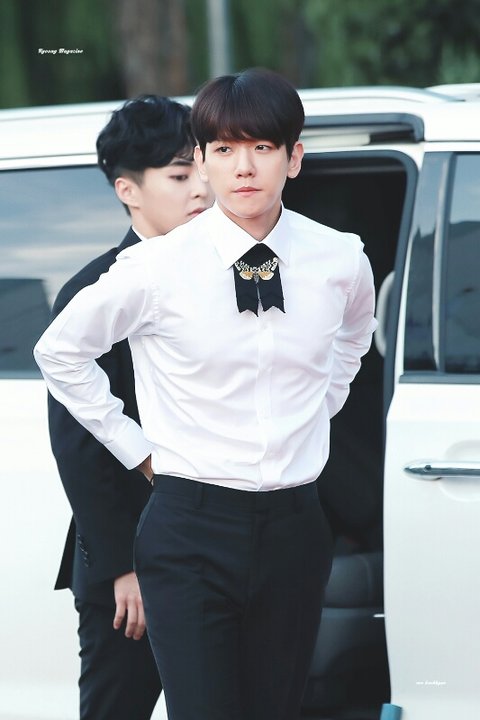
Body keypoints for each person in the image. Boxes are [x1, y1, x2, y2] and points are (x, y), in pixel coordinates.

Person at [35, 68, 377, 720]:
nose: (243, 167)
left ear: (293, 158)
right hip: (189, 527)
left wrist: (318, 408)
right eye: (224, 149)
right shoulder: (156, 266)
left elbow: (355, 337)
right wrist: (138, 450)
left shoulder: (339, 258)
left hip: (296, 526)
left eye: (262, 147)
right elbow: (60, 352)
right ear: (202, 160)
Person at [47, 94, 213, 720]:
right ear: (128, 190)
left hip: (215, 549)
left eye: (202, 170)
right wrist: (124, 566)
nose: (201, 189)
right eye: (180, 175)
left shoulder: (226, 273)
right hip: (132, 565)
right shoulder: (95, 290)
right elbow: (81, 447)